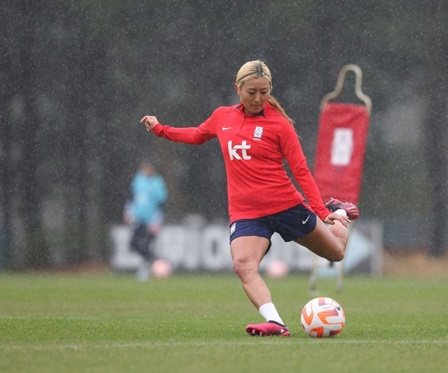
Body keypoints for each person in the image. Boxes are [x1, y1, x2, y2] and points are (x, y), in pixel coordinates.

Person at [140, 60, 359, 336]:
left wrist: (322, 211)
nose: (258, 99)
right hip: (247, 213)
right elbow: (196, 135)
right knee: (243, 265)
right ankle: (276, 323)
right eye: (251, 92)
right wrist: (161, 129)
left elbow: (301, 170)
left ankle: (339, 212)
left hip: (287, 206)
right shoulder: (222, 117)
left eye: (264, 92)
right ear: (237, 88)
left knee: (336, 252)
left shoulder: (280, 126)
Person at [124, 161, 168, 281]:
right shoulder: (138, 181)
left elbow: (161, 202)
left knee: (148, 244)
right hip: (139, 218)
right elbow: (131, 197)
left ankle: (146, 269)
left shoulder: (157, 183)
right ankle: (153, 261)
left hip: (152, 220)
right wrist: (128, 212)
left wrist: (157, 220)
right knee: (133, 244)